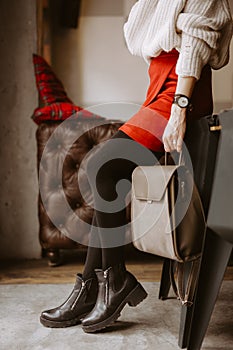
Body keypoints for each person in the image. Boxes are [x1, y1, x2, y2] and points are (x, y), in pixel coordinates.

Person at [40, 0, 233, 333]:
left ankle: (110, 281)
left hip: (181, 87)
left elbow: (198, 37)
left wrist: (180, 107)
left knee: (105, 165)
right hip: (157, 84)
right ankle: (93, 284)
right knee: (103, 168)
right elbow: (136, 33)